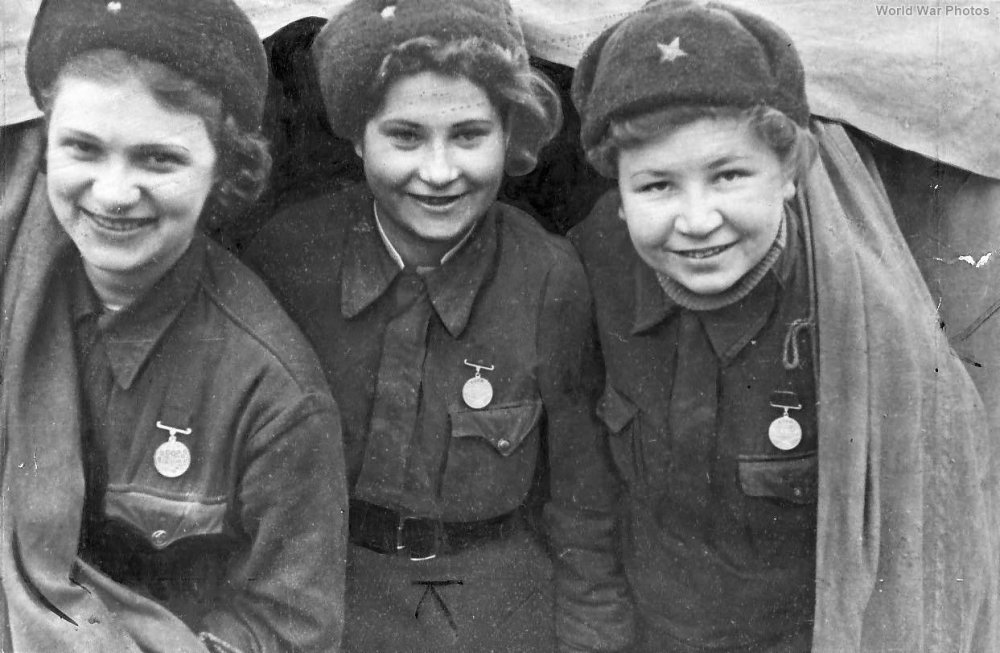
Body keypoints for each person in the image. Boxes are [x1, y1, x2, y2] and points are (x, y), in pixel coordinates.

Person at [567, 1, 999, 651]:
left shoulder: (854, 307)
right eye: (656, 186)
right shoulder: (593, 262)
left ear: (791, 175)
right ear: (619, 198)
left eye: (729, 175)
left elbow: (922, 535)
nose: (697, 219)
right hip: (654, 624)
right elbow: (580, 473)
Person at [242, 1, 632, 651]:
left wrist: (592, 638)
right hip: (325, 600)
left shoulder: (548, 278)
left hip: (494, 614)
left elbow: (583, 501)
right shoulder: (289, 254)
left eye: (469, 135)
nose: (439, 171)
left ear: (509, 133)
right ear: (359, 136)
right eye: (405, 136)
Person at [0, 1, 347, 651]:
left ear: (225, 171)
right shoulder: (15, 278)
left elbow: (290, 626)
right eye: (83, 148)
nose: (112, 193)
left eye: (158, 159)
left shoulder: (273, 394)